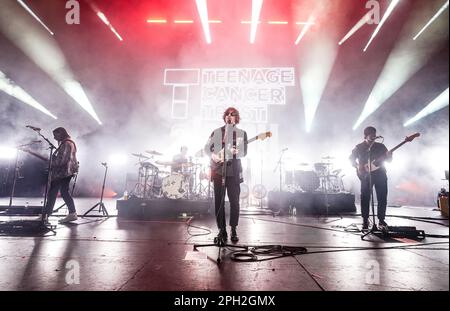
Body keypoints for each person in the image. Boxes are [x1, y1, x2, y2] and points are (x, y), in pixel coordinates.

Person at [204, 107, 248, 242]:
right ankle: (221, 230)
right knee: (219, 202)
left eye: (233, 114)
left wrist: (237, 152)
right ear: (225, 117)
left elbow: (244, 151)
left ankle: (233, 228)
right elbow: (206, 148)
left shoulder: (241, 133)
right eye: (228, 114)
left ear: (236, 118)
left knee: (234, 202)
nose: (230, 116)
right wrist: (213, 156)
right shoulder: (216, 132)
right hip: (218, 171)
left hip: (233, 172)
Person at [350, 126, 392, 231]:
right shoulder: (359, 147)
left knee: (382, 198)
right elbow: (351, 159)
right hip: (365, 175)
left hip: (381, 174)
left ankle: (381, 219)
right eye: (371, 134)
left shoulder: (381, 146)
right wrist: (357, 166)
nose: (373, 136)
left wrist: (390, 156)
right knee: (365, 198)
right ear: (365, 135)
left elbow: (389, 160)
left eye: (374, 133)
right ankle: (365, 219)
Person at [44, 127, 79, 224]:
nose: (54, 138)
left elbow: (61, 161)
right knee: (64, 192)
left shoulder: (66, 144)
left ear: (61, 133)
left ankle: (45, 215)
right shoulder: (69, 143)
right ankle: (72, 213)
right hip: (67, 172)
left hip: (63, 173)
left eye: (55, 135)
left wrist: (50, 162)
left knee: (52, 193)